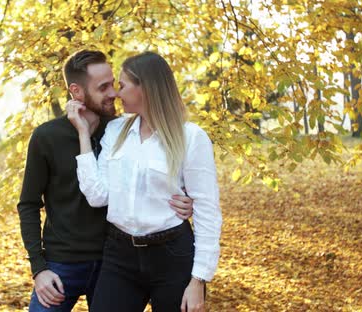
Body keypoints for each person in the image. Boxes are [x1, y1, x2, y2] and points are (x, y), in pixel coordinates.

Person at [17, 50, 195, 312]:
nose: (114, 93)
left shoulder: (124, 129)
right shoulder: (47, 137)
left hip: (113, 262)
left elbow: (161, 167)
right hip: (62, 264)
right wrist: (39, 269)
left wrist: (182, 199)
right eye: (103, 87)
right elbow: (28, 205)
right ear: (76, 92)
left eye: (114, 83)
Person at [67, 51, 222, 312]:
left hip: (173, 255)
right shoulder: (116, 131)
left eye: (123, 85)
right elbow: (97, 195)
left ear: (145, 88)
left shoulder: (191, 138)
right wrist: (83, 134)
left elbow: (208, 211)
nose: (117, 93)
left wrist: (199, 280)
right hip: (119, 255)